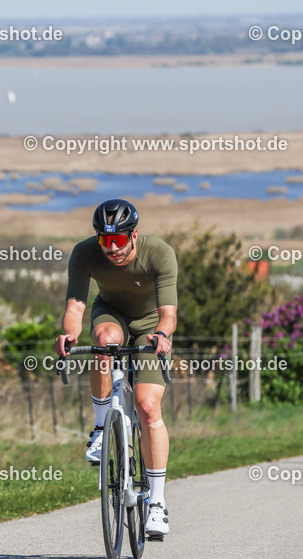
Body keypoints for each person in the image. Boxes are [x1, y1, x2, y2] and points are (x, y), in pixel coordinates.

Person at [54, 199, 178, 538]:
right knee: (104, 342)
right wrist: (68, 333)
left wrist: (163, 335)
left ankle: (156, 503)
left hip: (151, 327)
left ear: (133, 236)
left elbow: (168, 313)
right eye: (105, 241)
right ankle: (99, 428)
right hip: (111, 314)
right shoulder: (84, 253)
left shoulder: (159, 253)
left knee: (149, 407)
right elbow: (76, 306)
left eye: (119, 241)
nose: (112, 249)